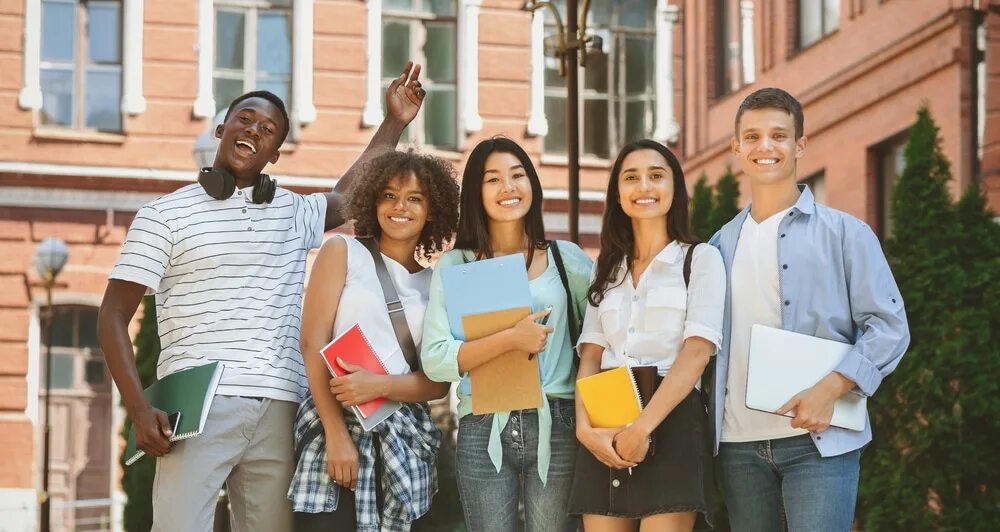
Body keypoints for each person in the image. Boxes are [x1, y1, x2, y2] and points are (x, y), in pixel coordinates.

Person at [97, 63, 427, 532]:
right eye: (246, 119)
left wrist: (394, 121)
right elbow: (112, 315)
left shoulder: (293, 211)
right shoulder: (163, 215)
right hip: (197, 402)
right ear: (222, 129)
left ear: (274, 154)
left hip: (281, 404)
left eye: (269, 130)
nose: (255, 130)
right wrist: (137, 407)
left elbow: (348, 194)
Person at [709, 87, 910, 532]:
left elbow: (889, 327)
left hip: (819, 440)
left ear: (800, 145)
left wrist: (831, 387)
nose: (765, 146)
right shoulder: (718, 245)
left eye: (779, 135)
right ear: (736, 148)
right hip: (738, 446)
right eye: (753, 136)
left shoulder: (847, 233)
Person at [420, 137, 592, 532]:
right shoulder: (457, 264)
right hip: (484, 424)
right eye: (493, 179)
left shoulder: (568, 260)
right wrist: (512, 339)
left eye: (517, 175)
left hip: (559, 421)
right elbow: (436, 359)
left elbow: (600, 341)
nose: (508, 187)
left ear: (532, 183)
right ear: (476, 193)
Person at [289, 149, 461, 531]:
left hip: (404, 440)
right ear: (372, 200)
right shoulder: (342, 251)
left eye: (414, 198)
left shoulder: (437, 283)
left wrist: (378, 386)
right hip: (333, 425)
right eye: (389, 195)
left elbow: (437, 382)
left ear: (432, 210)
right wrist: (336, 434)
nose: (400, 207)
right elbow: (312, 343)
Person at [568, 140, 723, 531]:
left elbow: (697, 352)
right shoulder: (606, 268)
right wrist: (584, 429)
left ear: (675, 188)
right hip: (605, 419)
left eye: (656, 176)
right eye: (631, 178)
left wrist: (642, 428)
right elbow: (590, 356)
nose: (644, 187)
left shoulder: (700, 259)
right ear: (618, 194)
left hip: (671, 419)